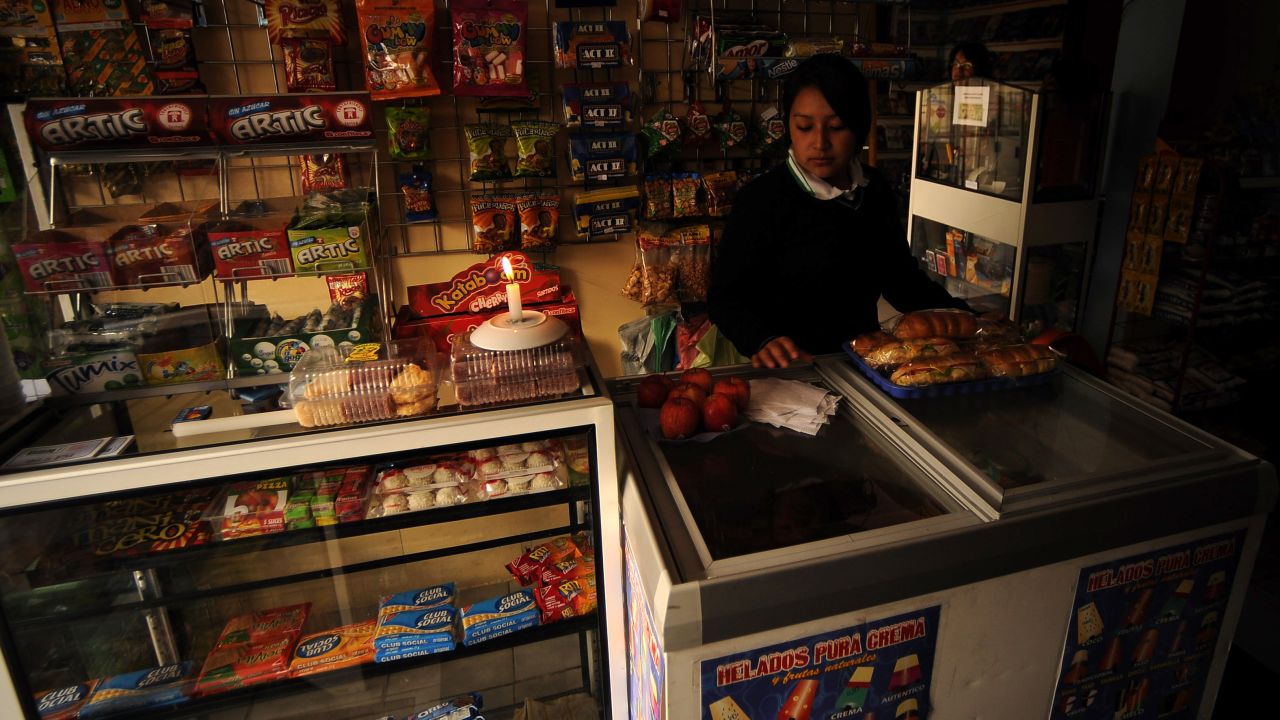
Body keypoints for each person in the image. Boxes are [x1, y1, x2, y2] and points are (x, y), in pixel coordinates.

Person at [707, 55, 971, 369]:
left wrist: (966, 316)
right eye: (804, 126)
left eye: (836, 127)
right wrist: (761, 340)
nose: (819, 143)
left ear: (860, 127)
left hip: (862, 366)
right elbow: (725, 298)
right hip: (787, 376)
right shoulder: (761, 200)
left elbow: (902, 282)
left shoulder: (873, 192)